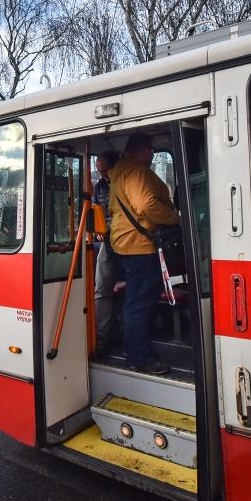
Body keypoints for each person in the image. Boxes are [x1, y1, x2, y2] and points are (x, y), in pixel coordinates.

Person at [108, 132, 179, 375]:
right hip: (140, 245)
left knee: (133, 300)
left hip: (125, 243)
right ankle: (140, 357)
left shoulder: (119, 173)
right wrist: (176, 218)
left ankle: (131, 348)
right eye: (150, 150)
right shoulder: (138, 172)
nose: (151, 155)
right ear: (144, 150)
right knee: (140, 303)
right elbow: (147, 206)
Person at [92, 150, 120, 353]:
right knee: (101, 289)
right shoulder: (99, 187)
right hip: (108, 240)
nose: (96, 162)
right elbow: (96, 212)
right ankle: (101, 337)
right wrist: (97, 231)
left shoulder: (123, 182)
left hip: (128, 238)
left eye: (100, 158)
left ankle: (126, 336)